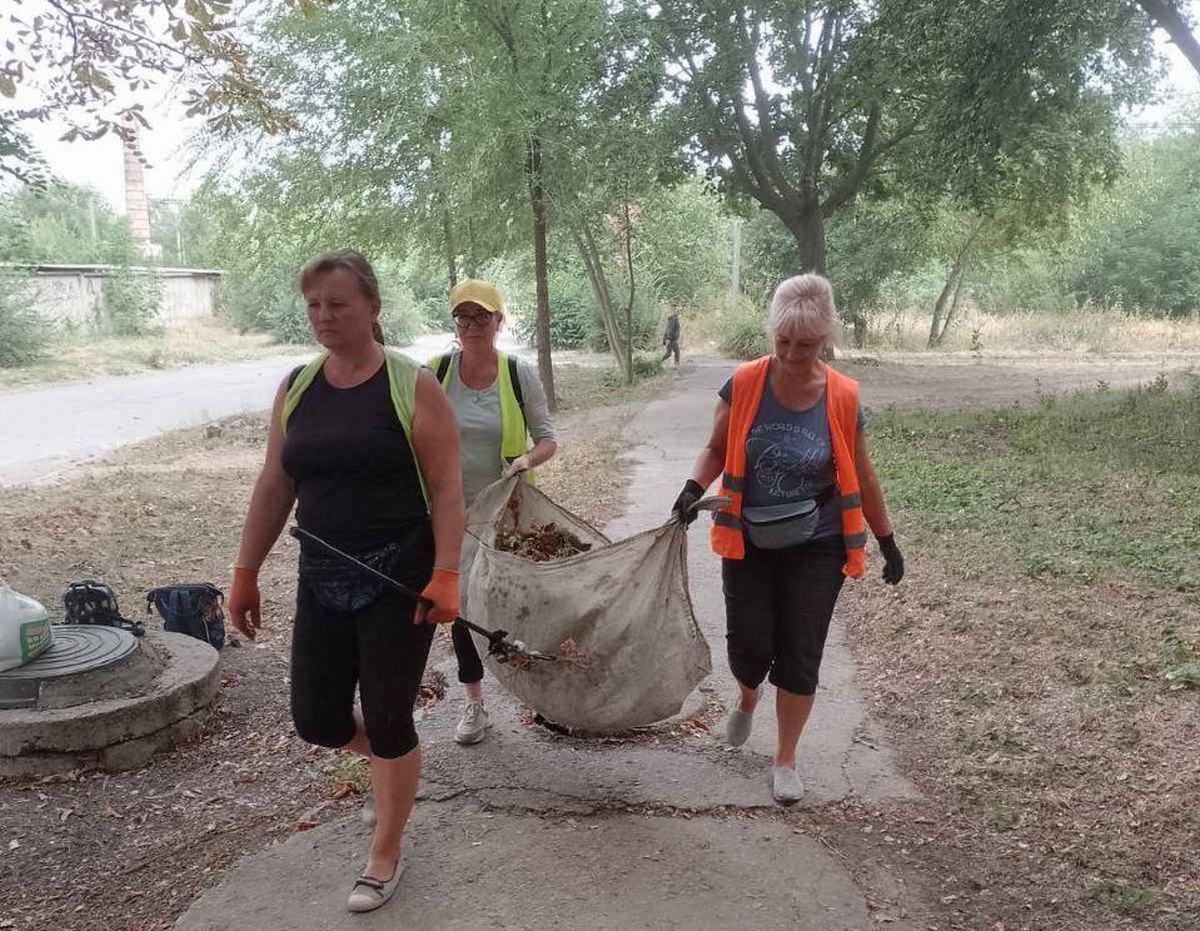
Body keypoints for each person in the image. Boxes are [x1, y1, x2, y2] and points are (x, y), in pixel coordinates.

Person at [227, 250, 465, 913]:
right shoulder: (297, 387)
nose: (324, 317)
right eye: (314, 305)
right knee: (318, 716)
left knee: (389, 717)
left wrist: (447, 574)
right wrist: (245, 571)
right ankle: (397, 772)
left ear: (372, 308)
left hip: (401, 575)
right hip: (322, 571)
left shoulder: (411, 384)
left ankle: (385, 847)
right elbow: (276, 483)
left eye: (339, 304)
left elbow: (448, 488)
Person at [671, 273, 904, 805]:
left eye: (807, 344)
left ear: (827, 339)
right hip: (748, 538)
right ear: (771, 333)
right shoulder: (746, 383)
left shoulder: (842, 397)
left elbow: (864, 477)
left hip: (817, 544)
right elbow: (714, 448)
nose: (793, 354)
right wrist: (690, 488)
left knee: (801, 651)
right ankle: (748, 696)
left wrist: (886, 539)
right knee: (750, 647)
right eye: (783, 342)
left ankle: (785, 758)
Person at [429, 279, 557, 746]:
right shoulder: (436, 372)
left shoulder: (518, 374)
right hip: (451, 516)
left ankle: (540, 695)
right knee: (460, 609)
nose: (473, 325)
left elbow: (548, 438)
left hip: (507, 516)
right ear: (455, 324)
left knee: (515, 605)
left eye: (483, 316)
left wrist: (525, 460)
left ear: (499, 321)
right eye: (464, 317)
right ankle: (474, 702)